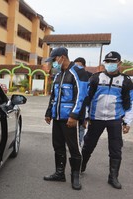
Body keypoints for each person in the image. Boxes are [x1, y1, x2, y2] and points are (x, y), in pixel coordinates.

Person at [81, 51, 133, 189]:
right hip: (95, 118)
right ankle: (81, 166)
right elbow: (86, 99)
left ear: (119, 63)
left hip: (115, 120)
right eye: (107, 62)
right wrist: (85, 117)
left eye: (113, 62)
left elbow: (130, 103)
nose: (109, 65)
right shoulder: (95, 78)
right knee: (88, 145)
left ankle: (113, 177)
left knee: (116, 149)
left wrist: (127, 122)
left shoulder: (126, 81)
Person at [43, 47, 89, 190]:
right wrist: (49, 112)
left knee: (74, 147)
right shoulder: (58, 75)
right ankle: (59, 173)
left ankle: (75, 177)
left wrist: (74, 116)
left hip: (70, 118)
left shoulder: (78, 72)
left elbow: (81, 96)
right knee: (58, 145)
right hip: (57, 117)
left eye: (54, 60)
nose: (53, 63)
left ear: (62, 57)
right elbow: (53, 96)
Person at [73, 57, 92, 146]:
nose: (78, 69)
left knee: (81, 128)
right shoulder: (72, 76)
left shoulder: (90, 77)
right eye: (76, 66)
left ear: (84, 66)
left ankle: (79, 145)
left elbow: (90, 96)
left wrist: (87, 116)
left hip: (84, 108)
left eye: (80, 66)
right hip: (73, 108)